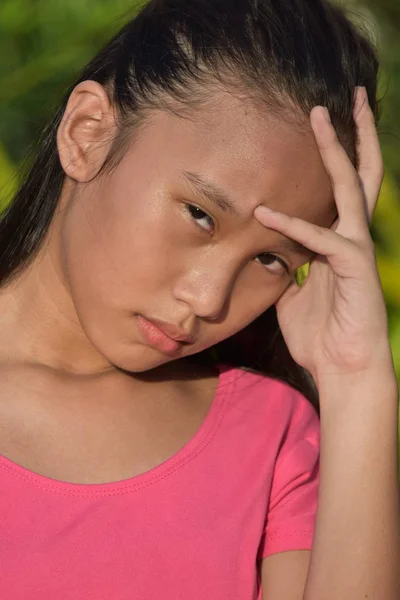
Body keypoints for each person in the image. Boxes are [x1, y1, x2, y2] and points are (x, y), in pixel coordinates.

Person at [0, 0, 398, 598]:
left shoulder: (275, 442)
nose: (209, 300)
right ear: (88, 133)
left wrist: (357, 382)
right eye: (200, 215)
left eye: (271, 259)